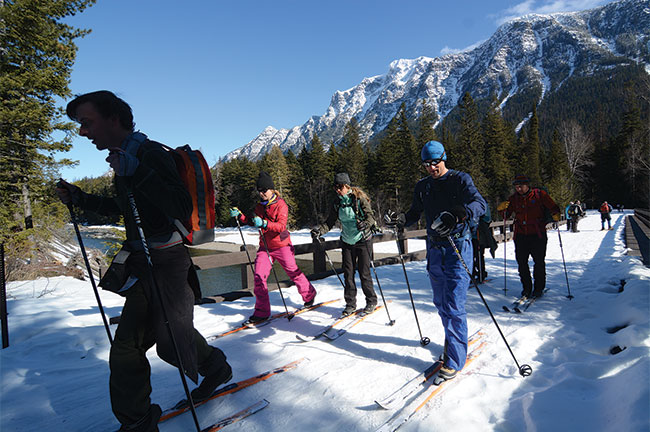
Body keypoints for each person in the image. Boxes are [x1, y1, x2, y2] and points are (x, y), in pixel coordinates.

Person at [55, 91, 231, 432]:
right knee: (127, 348)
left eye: (87, 123)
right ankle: (137, 420)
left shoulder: (147, 154)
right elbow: (128, 208)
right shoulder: (125, 156)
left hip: (167, 263)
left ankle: (215, 367)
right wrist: (81, 198)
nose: (83, 132)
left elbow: (178, 206)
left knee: (171, 345)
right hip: (143, 262)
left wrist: (138, 172)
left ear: (113, 118)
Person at [385, 141, 486, 384]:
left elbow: (480, 205)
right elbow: (414, 213)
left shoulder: (460, 180)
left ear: (444, 158)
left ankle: (455, 359)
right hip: (434, 249)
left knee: (453, 304)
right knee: (441, 302)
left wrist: (459, 213)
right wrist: (400, 220)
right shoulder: (423, 186)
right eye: (427, 164)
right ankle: (452, 343)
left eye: (435, 162)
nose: (432, 168)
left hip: (457, 247)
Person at [230, 172, 317, 325]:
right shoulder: (259, 206)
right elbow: (253, 221)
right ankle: (262, 312)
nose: (262, 193)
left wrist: (264, 224)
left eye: (264, 190)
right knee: (258, 276)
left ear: (272, 189)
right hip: (265, 247)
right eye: (259, 190)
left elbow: (281, 226)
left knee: (293, 271)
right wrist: (241, 216)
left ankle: (309, 295)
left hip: (282, 245)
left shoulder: (281, 205)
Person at [311, 173, 378, 317]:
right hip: (347, 241)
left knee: (364, 273)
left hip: (363, 240)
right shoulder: (337, 202)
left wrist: (366, 224)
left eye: (340, 186)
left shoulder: (358, 199)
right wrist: (319, 231)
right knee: (348, 273)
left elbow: (371, 217)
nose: (337, 189)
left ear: (347, 186)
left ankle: (371, 301)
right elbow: (330, 221)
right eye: (335, 187)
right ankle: (350, 304)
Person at [497, 175, 561, 300]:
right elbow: (506, 216)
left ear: (527, 185)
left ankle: (538, 288)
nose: (518, 189)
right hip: (521, 235)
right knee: (522, 263)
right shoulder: (513, 199)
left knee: (539, 262)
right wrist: (502, 210)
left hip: (538, 234)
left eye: (521, 186)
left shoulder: (539, 195)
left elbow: (553, 207)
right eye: (516, 187)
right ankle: (526, 288)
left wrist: (555, 214)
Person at [471, 206, 497, 283]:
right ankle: (472, 274)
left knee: (479, 256)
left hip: (479, 235)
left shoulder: (482, 203)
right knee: (470, 256)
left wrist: (481, 219)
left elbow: (488, 219)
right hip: (469, 236)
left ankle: (481, 274)